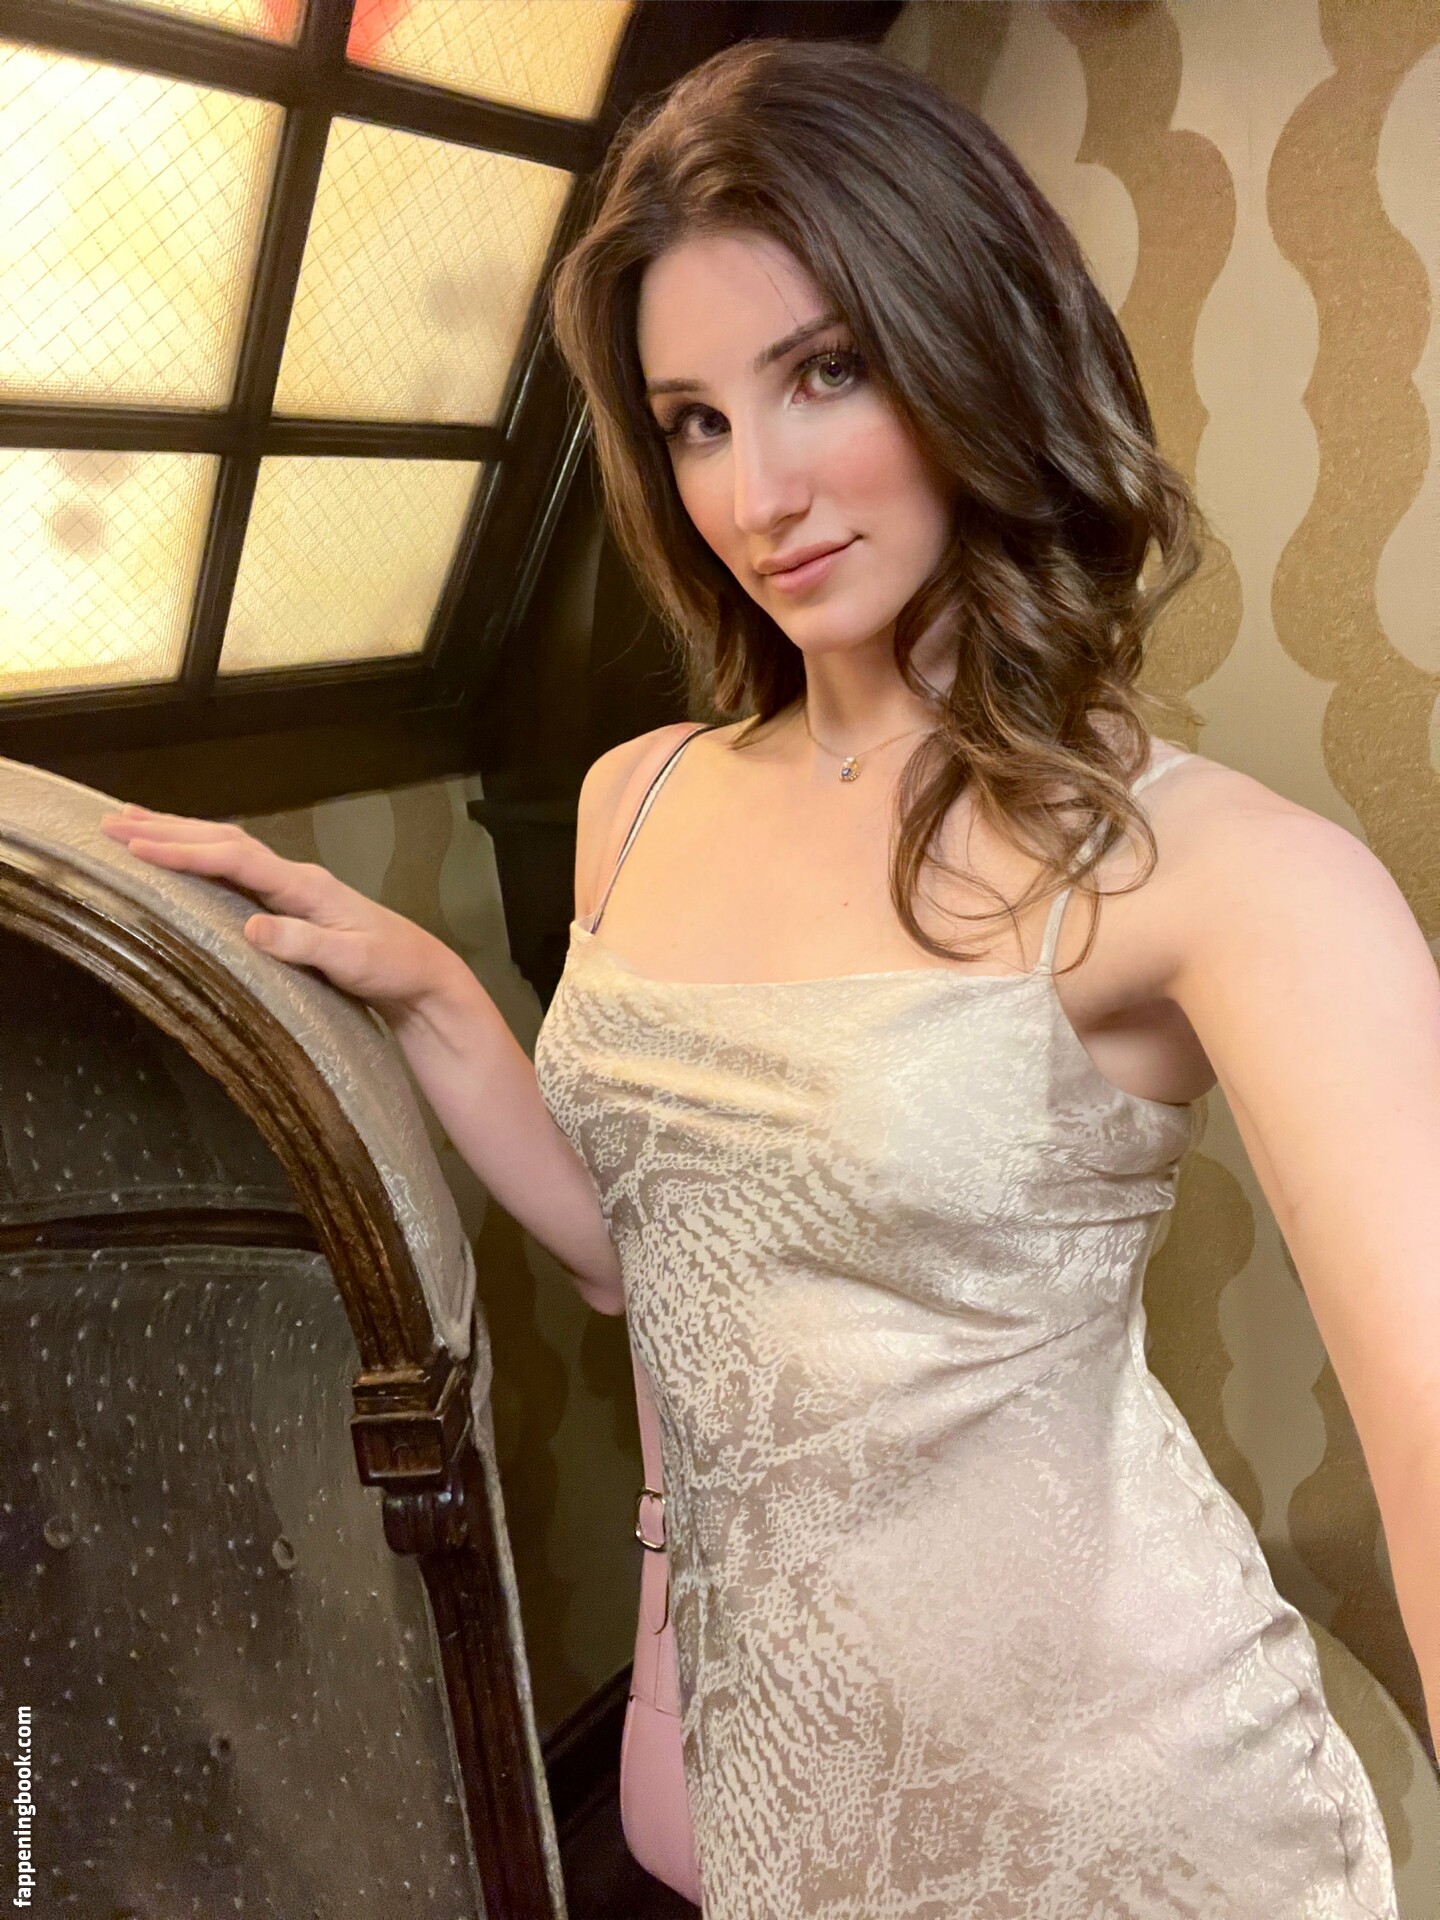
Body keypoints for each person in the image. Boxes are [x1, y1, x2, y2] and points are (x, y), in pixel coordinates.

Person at [100, 35, 1435, 1920]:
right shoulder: (637, 798)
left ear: (977, 349)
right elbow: (655, 1266)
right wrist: (434, 997)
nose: (759, 490)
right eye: (695, 421)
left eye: (826, 373)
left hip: (1124, 1801)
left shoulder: (1226, 873)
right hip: (772, 1770)